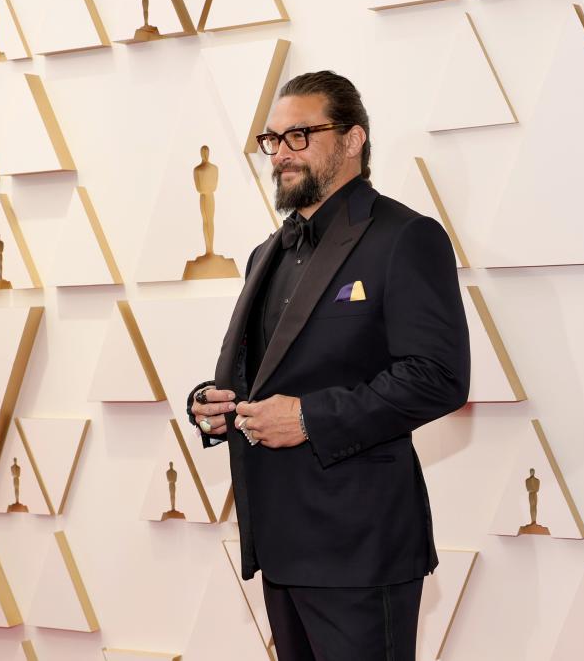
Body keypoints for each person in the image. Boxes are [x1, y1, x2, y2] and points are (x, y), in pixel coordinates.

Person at [187, 70, 470, 660]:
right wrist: (215, 403)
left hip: (360, 548)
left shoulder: (406, 237)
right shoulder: (268, 251)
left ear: (352, 140)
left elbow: (438, 376)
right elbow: (266, 376)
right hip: (278, 542)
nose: (281, 154)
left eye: (300, 136)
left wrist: (311, 418)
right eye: (272, 140)